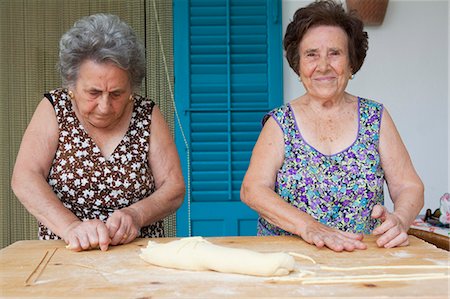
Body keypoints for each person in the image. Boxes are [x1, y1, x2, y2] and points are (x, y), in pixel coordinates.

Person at [240, 0, 424, 252]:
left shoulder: (375, 117)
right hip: (290, 260)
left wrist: (401, 220)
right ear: (298, 64)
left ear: (351, 63)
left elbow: (408, 186)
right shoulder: (280, 123)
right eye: (311, 54)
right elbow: (253, 189)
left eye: (335, 53)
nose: (323, 66)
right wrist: (309, 226)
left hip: (362, 259)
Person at [11, 14, 185, 251]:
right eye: (93, 93)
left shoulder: (147, 114)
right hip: (65, 252)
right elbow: (25, 178)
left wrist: (136, 214)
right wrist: (71, 227)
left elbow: (173, 187)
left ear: (131, 87)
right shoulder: (55, 108)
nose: (104, 106)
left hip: (138, 253)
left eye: (116, 94)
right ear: (71, 84)